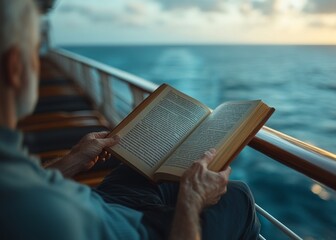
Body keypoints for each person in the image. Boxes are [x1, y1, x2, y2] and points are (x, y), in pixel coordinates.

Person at [0, 0, 261, 239]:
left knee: (138, 170)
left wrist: (74, 159)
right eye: (36, 50)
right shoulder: (26, 210)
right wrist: (191, 202)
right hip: (139, 230)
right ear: (16, 68)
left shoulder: (11, 168)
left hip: (103, 205)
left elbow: (35, 185)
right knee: (239, 197)